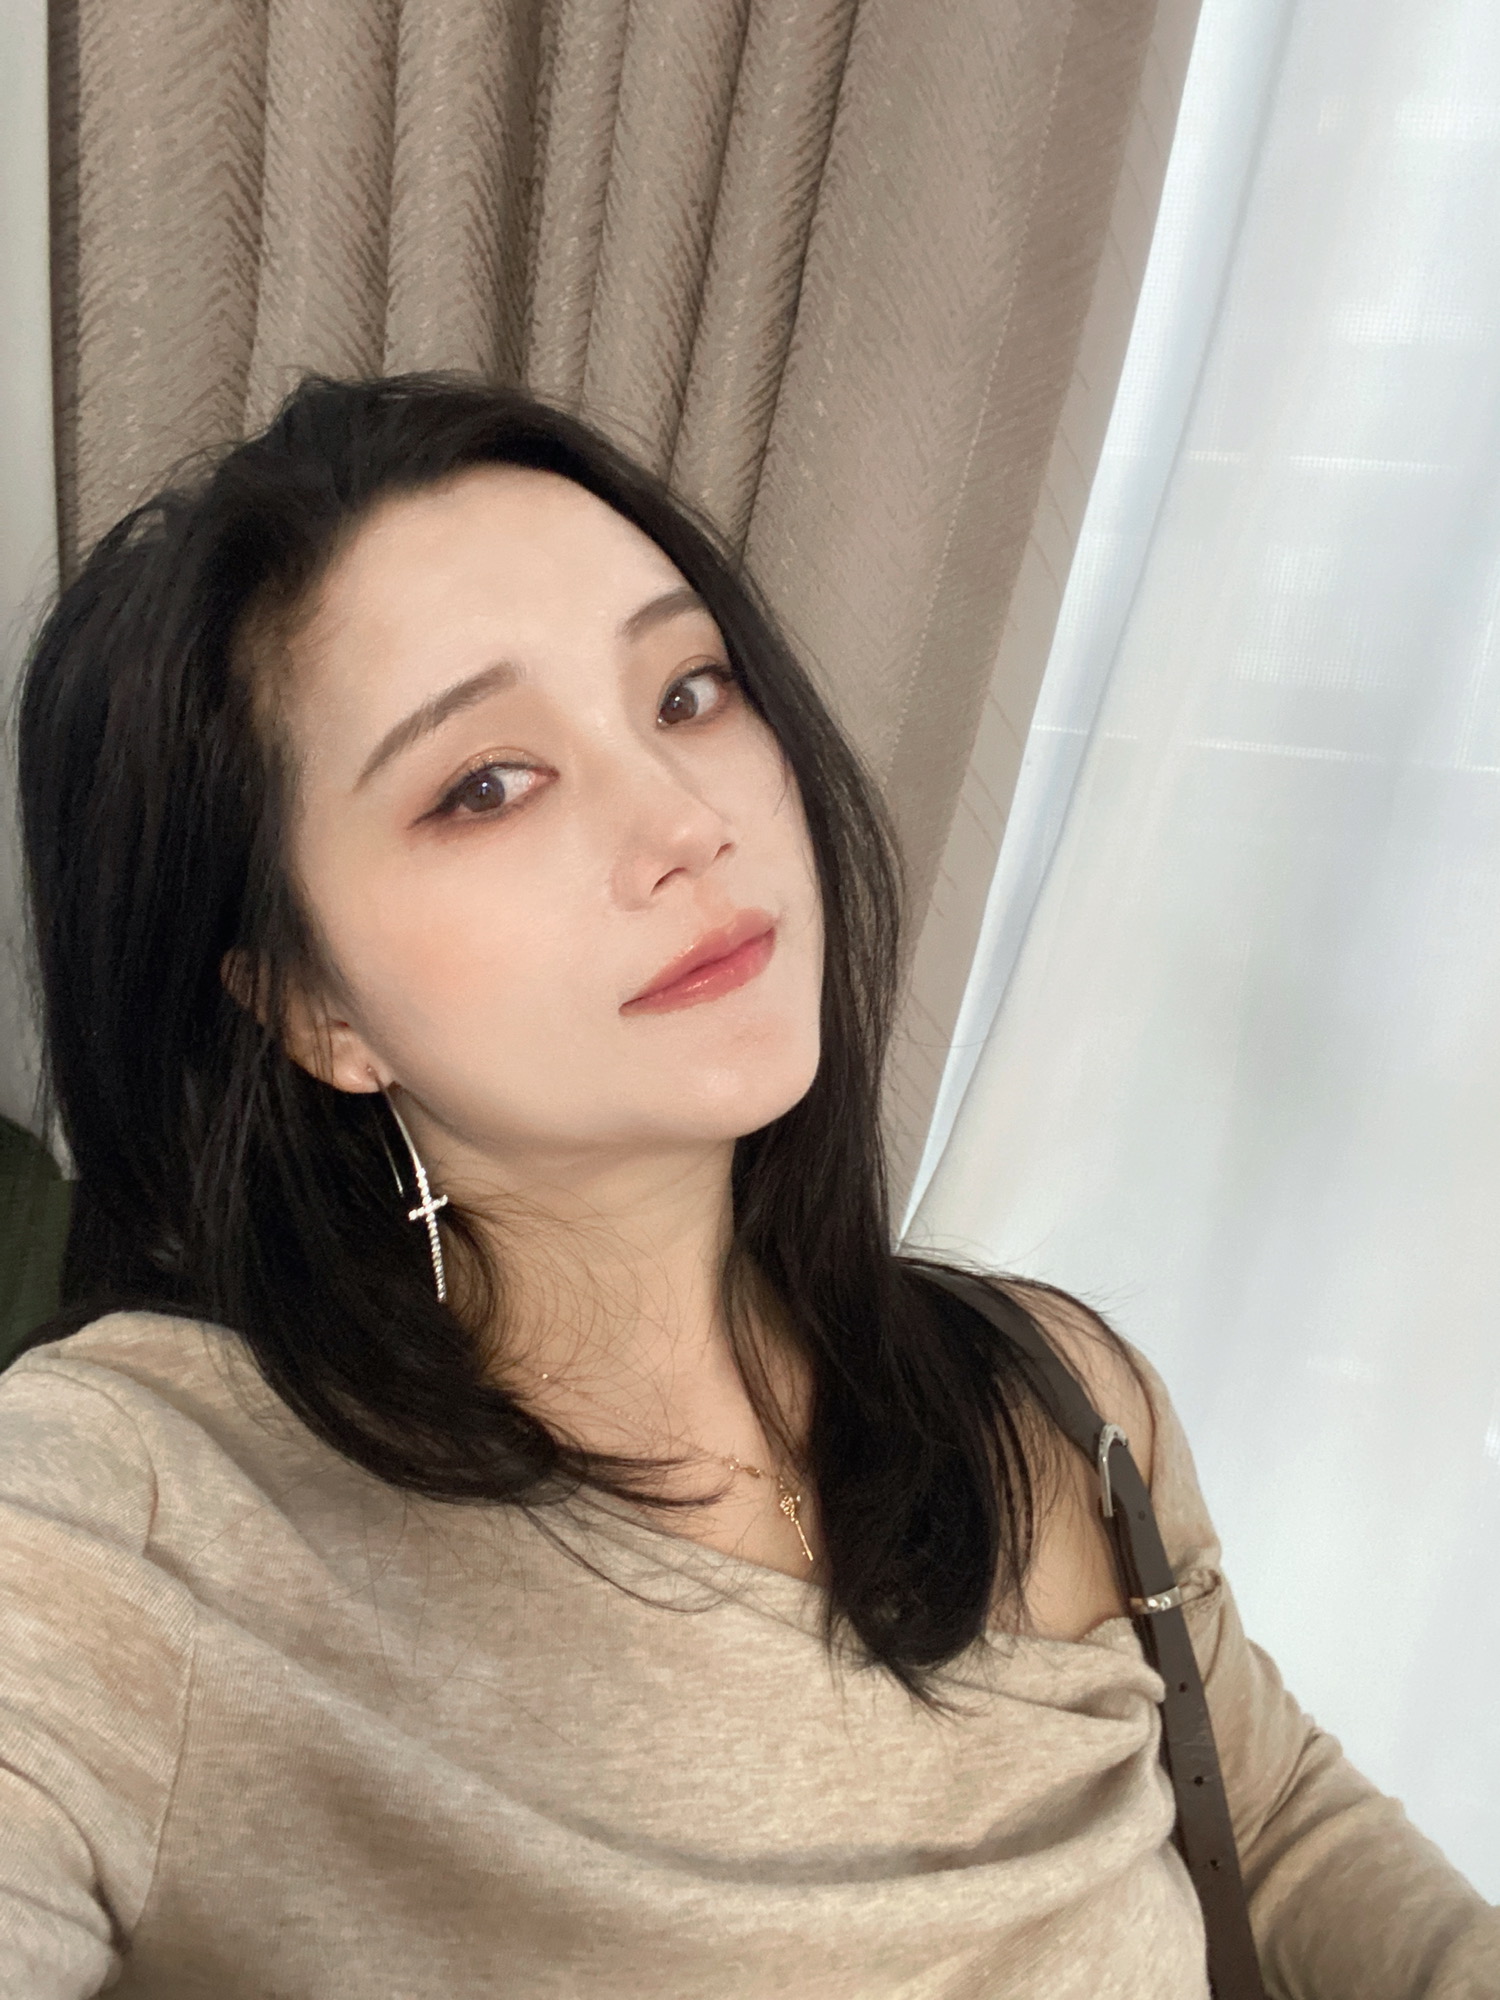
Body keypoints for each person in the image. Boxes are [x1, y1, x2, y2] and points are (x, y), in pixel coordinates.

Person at [1, 373, 1494, 1999]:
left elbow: (1269, 1825)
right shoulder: (132, 1513)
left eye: (689, 691)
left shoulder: (1058, 1395)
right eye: (485, 783)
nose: (685, 819)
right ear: (312, 1006)